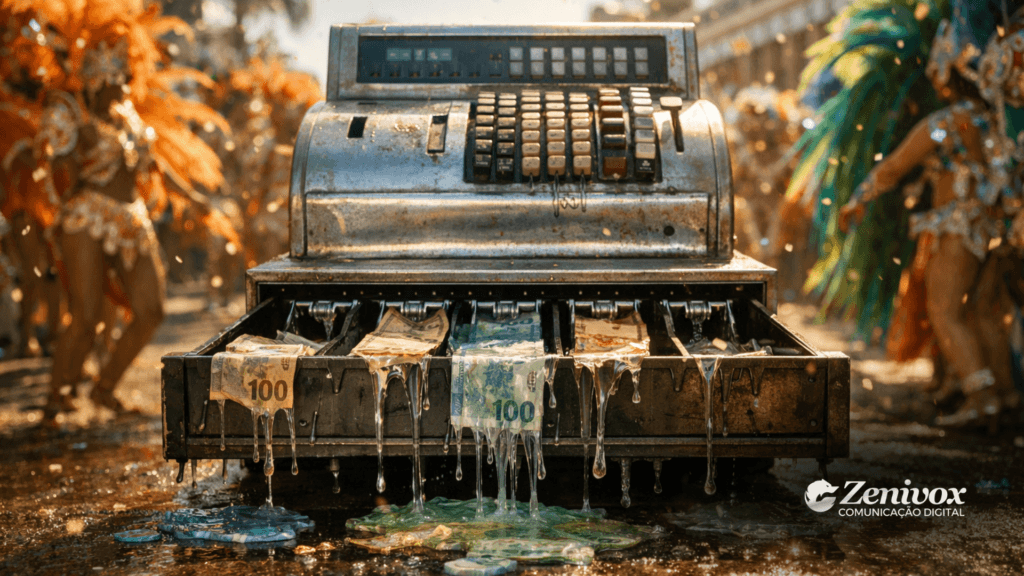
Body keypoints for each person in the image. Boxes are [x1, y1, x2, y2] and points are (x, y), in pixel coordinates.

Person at [0, 0, 235, 424]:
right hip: (86, 218)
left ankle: (103, 387)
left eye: (125, 63)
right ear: (92, 72)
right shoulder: (72, 112)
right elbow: (51, 167)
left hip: (132, 216)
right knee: (86, 316)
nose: (125, 75)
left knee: (151, 311)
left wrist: (192, 197)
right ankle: (56, 399)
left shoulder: (129, 114)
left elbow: (154, 166)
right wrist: (57, 205)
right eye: (113, 66)